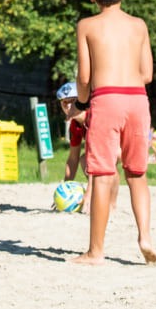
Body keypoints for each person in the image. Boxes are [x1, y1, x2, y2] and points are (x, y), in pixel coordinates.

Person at [73, 0, 156, 265]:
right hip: (137, 100)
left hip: (106, 99)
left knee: (101, 175)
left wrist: (82, 104)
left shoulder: (87, 26)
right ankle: (145, 238)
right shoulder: (139, 25)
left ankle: (96, 251)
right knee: (137, 174)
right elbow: (147, 74)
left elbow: (84, 77)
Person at [55, 80, 93, 214]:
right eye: (65, 102)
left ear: (81, 100)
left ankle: (110, 204)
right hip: (102, 156)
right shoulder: (75, 125)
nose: (68, 105)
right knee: (84, 159)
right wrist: (64, 191)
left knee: (96, 163)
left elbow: (99, 160)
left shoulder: (93, 117)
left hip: (121, 147)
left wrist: (89, 193)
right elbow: (72, 159)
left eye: (72, 100)